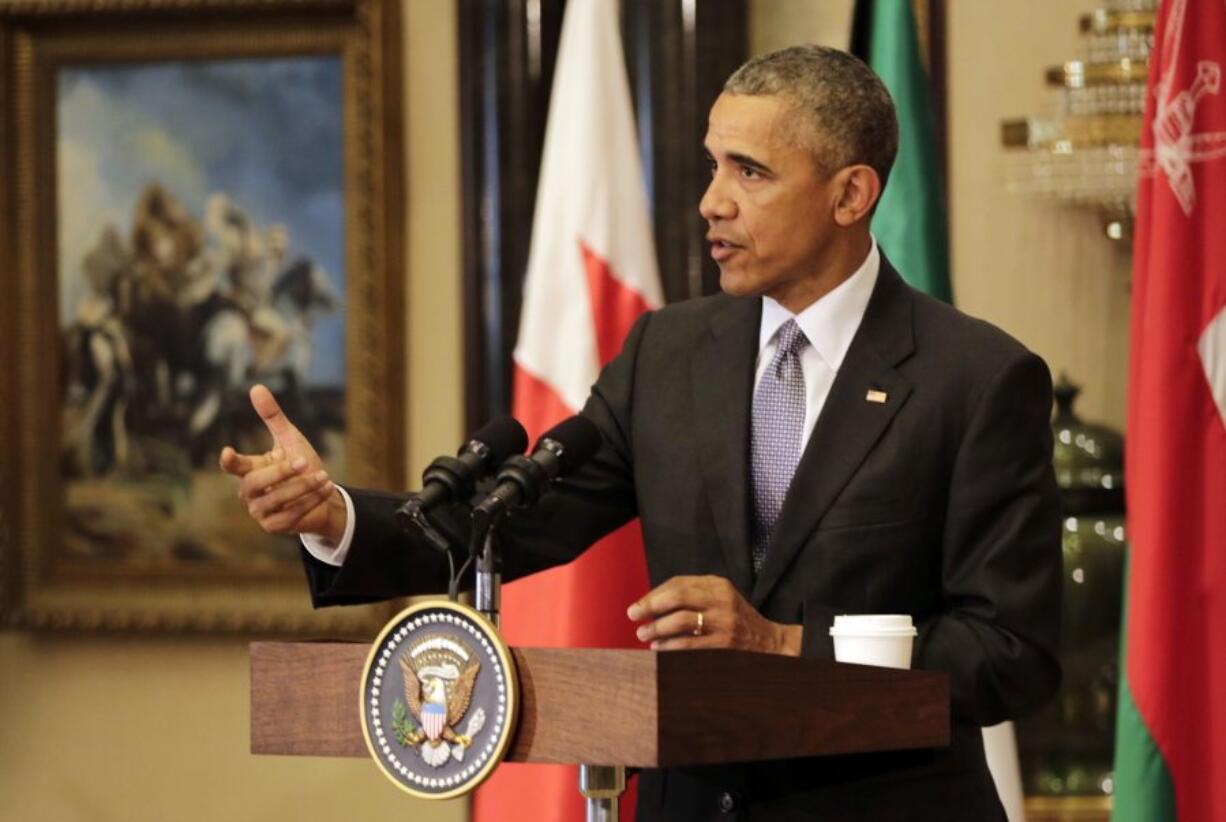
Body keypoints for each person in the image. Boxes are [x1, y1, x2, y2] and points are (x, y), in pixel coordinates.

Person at [221, 45, 1061, 822]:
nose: (711, 201)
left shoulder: (976, 380)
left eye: (750, 172)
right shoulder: (669, 354)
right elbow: (509, 524)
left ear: (850, 194)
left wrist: (784, 645)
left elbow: (1010, 651)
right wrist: (334, 519)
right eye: (712, 164)